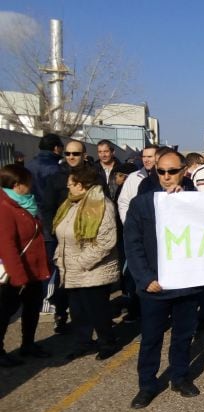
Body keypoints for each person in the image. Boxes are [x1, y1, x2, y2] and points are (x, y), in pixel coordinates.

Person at [124, 151, 201, 409]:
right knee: (151, 338)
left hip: (185, 286)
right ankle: (147, 384)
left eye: (172, 171)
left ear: (183, 172)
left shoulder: (194, 202)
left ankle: (179, 377)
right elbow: (132, 245)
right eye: (161, 171)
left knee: (183, 336)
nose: (166, 177)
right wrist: (145, 278)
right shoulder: (141, 203)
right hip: (154, 286)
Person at [53, 165, 120, 360]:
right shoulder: (70, 204)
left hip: (93, 269)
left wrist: (82, 262)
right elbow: (62, 234)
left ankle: (107, 341)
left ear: (82, 185)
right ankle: (82, 342)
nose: (69, 189)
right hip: (71, 267)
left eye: (71, 185)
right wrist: (60, 256)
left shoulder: (101, 205)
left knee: (96, 309)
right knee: (78, 310)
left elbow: (106, 240)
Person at [0, 165, 51, 367]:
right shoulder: (5, 207)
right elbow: (7, 246)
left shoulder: (25, 204)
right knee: (5, 312)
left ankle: (28, 344)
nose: (31, 185)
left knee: (32, 308)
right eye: (28, 181)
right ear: (17, 185)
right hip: (15, 274)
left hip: (33, 269)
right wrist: (18, 276)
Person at [41, 140, 90, 334]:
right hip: (63, 237)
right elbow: (47, 207)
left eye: (75, 154)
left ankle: (87, 317)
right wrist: (54, 230)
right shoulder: (56, 177)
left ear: (83, 154)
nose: (71, 157)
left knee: (88, 279)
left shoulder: (93, 176)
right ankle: (61, 314)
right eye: (68, 153)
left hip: (87, 235)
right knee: (64, 278)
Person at [118, 145, 159, 223]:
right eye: (144, 157)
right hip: (137, 227)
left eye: (150, 157)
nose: (146, 160)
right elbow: (123, 202)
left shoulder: (165, 177)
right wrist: (128, 223)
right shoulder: (133, 177)